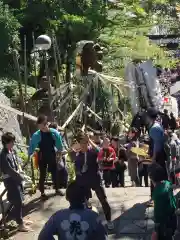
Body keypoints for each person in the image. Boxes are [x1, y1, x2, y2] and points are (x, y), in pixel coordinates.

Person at [38, 180, 108, 240]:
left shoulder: (57, 216)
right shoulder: (94, 216)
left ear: (67, 198)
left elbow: (43, 236)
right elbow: (103, 237)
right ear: (86, 197)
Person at [74, 132, 114, 230]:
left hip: (95, 179)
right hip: (84, 181)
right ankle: (86, 221)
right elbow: (77, 171)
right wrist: (80, 171)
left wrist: (90, 140)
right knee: (83, 202)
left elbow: (100, 151)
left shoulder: (93, 151)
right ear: (79, 143)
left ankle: (109, 220)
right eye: (83, 142)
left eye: (86, 142)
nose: (85, 144)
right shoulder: (78, 155)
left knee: (103, 200)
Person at [0, 132, 32, 232]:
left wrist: (21, 171)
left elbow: (16, 163)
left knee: (20, 199)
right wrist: (21, 177)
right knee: (17, 201)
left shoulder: (12, 151)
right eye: (12, 142)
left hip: (16, 178)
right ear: (6, 142)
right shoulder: (3, 155)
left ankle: (20, 219)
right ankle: (20, 224)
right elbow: (9, 170)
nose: (13, 143)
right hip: (10, 180)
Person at [28, 115, 64, 200]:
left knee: (55, 173)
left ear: (47, 124)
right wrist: (30, 154)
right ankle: (42, 193)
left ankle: (57, 189)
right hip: (42, 156)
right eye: (40, 127)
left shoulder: (54, 133)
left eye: (43, 126)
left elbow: (59, 145)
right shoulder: (37, 135)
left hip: (52, 155)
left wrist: (59, 154)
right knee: (42, 175)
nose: (42, 129)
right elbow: (32, 146)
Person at [148, 163, 176, 240]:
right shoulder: (167, 183)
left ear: (151, 177)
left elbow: (158, 216)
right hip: (173, 216)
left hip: (164, 223)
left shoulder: (157, 193)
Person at [146, 108, 168, 200]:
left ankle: (156, 198)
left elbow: (157, 145)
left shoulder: (154, 128)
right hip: (161, 154)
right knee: (160, 176)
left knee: (155, 176)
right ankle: (160, 196)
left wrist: (154, 158)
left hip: (158, 156)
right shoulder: (158, 125)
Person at [49, 122, 68, 189]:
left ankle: (64, 187)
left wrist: (65, 150)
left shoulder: (60, 136)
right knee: (55, 175)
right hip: (54, 160)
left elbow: (64, 145)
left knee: (64, 173)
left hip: (61, 159)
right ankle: (57, 188)